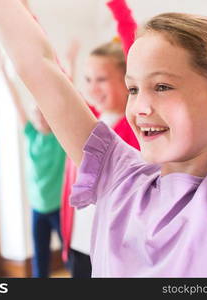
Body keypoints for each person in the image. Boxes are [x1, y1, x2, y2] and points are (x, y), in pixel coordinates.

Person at [0, 0, 207, 277]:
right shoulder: (118, 175)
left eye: (162, 87)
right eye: (133, 89)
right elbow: (37, 63)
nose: (140, 107)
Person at [61, 0, 139, 278]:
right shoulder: (89, 120)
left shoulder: (134, 123)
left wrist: (117, 5)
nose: (93, 88)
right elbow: (54, 79)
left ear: (128, 79)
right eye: (88, 79)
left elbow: (131, 40)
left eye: (102, 79)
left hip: (115, 249)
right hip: (80, 244)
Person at [0, 49, 65, 278]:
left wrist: (66, 62)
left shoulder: (61, 137)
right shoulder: (32, 134)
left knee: (71, 257)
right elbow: (17, 104)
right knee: (40, 260)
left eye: (44, 114)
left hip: (60, 208)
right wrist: (2, 70)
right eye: (36, 113)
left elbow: (65, 98)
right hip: (38, 207)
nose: (39, 117)